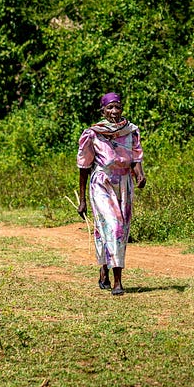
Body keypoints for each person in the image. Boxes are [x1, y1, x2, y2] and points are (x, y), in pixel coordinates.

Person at [76, 92, 146, 296]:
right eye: (110, 108)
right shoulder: (93, 133)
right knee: (112, 226)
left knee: (120, 230)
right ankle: (118, 282)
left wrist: (140, 176)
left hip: (124, 183)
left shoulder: (130, 131)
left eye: (117, 107)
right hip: (101, 183)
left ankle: (104, 268)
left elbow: (135, 159)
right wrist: (82, 200)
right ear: (103, 110)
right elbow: (83, 167)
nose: (114, 112)